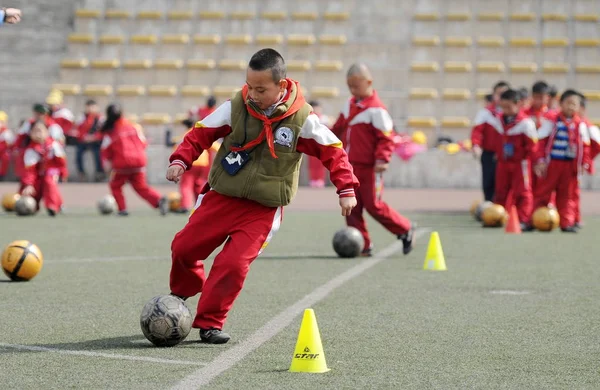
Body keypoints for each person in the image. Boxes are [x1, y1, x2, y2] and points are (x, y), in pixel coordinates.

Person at [165, 48, 358, 344]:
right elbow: (201, 133)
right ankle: (182, 292)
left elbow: (333, 151)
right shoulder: (236, 105)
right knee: (183, 247)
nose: (252, 94)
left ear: (281, 86)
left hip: (262, 210)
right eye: (249, 86)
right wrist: (181, 159)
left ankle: (210, 323)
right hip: (222, 196)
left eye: (261, 89)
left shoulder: (303, 119)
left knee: (233, 265)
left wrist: (345, 189)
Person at [331, 63, 415, 256]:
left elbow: (386, 138)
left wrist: (382, 159)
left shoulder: (377, 110)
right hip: (349, 166)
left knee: (373, 205)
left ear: (368, 82)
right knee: (352, 206)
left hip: (370, 168)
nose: (353, 90)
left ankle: (404, 228)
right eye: (350, 86)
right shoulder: (349, 105)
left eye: (356, 85)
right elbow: (337, 128)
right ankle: (363, 244)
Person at [533, 90, 590, 233]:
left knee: (566, 195)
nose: (571, 107)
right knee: (543, 192)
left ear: (578, 107)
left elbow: (585, 146)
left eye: (574, 104)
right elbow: (540, 142)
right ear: (561, 104)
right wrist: (540, 160)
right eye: (568, 103)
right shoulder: (552, 121)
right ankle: (535, 219)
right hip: (553, 164)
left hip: (569, 166)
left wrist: (584, 162)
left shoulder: (580, 125)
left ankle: (566, 222)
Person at [100, 103, 167, 216]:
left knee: (115, 186)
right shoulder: (134, 127)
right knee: (141, 187)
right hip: (139, 162)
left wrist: (107, 166)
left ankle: (122, 209)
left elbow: (105, 151)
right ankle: (158, 200)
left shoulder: (110, 132)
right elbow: (143, 143)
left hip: (122, 163)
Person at [493, 89, 538, 230]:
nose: (505, 110)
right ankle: (497, 216)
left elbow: (533, 146)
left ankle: (523, 219)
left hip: (521, 163)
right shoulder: (499, 119)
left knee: (523, 192)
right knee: (500, 190)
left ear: (518, 104)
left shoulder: (526, 123)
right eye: (503, 107)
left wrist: (534, 161)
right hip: (503, 162)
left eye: (508, 107)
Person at [471, 81, 510, 202]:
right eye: (499, 94)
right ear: (493, 95)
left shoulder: (512, 114)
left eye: (505, 94)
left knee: (505, 183)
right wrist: (476, 145)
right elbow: (477, 131)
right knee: (489, 182)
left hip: (507, 156)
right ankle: (489, 207)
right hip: (489, 154)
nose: (501, 97)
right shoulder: (486, 113)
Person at [20, 121, 67, 216]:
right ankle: (31, 206)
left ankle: (53, 206)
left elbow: (61, 162)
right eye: (35, 131)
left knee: (49, 182)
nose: (38, 134)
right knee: (31, 189)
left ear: (47, 132)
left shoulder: (54, 146)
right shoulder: (30, 150)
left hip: (52, 171)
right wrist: (28, 184)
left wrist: (62, 173)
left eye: (40, 131)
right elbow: (30, 170)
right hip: (37, 175)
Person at [75, 99, 104, 182]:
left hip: (96, 142)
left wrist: (94, 137)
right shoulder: (82, 117)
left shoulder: (100, 118)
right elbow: (78, 130)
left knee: (98, 154)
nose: (90, 109)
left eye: (92, 107)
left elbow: (102, 132)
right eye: (88, 107)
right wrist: (84, 137)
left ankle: (99, 173)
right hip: (84, 141)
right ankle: (81, 173)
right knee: (79, 154)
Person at [307, 100, 330, 188]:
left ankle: (320, 180)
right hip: (311, 144)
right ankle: (313, 179)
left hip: (322, 144)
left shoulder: (324, 119)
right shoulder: (309, 118)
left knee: (321, 163)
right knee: (312, 164)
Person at [0, 111, 14, 181]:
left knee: (6, 157)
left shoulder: (7, 132)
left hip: (4, 152)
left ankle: (2, 175)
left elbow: (10, 144)